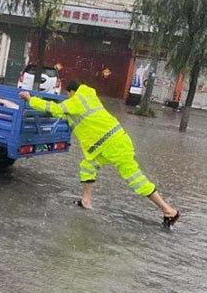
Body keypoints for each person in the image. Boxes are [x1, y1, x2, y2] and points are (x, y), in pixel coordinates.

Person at [19, 80, 180, 228]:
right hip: (105, 145)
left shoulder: (78, 100)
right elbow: (63, 113)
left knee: (135, 179)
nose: (67, 97)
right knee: (87, 167)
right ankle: (86, 200)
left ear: (72, 91)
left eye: (67, 94)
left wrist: (30, 99)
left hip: (115, 144)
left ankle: (168, 211)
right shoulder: (86, 99)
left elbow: (55, 108)